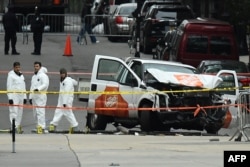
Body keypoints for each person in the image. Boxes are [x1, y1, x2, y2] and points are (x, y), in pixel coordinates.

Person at [49, 68, 79, 133]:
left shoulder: (67, 81)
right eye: (61, 74)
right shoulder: (64, 80)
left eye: (63, 73)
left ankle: (75, 126)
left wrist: (65, 102)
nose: (62, 75)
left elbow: (66, 92)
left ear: (65, 73)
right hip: (62, 101)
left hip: (66, 101)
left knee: (68, 113)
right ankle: (53, 124)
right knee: (58, 112)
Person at [29, 62, 49, 134]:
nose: (35, 67)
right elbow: (32, 87)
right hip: (34, 96)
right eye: (35, 66)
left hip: (41, 96)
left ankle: (42, 127)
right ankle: (38, 126)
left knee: (40, 111)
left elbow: (45, 84)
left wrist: (38, 88)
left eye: (37, 66)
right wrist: (30, 97)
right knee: (35, 112)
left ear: (40, 67)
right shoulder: (34, 76)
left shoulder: (43, 75)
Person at [7, 62, 27, 133]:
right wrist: (10, 98)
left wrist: (25, 96)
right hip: (14, 95)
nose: (18, 69)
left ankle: (17, 126)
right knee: (13, 111)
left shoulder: (21, 75)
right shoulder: (11, 76)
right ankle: (13, 126)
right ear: (14, 67)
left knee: (20, 111)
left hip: (21, 95)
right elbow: (9, 87)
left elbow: (23, 86)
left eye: (19, 67)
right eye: (16, 67)